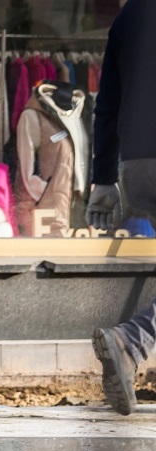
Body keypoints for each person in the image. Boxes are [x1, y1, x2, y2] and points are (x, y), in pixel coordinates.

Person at [86, 0, 156, 416]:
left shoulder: (129, 15)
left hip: (136, 168)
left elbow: (106, 104)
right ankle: (132, 341)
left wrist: (103, 179)